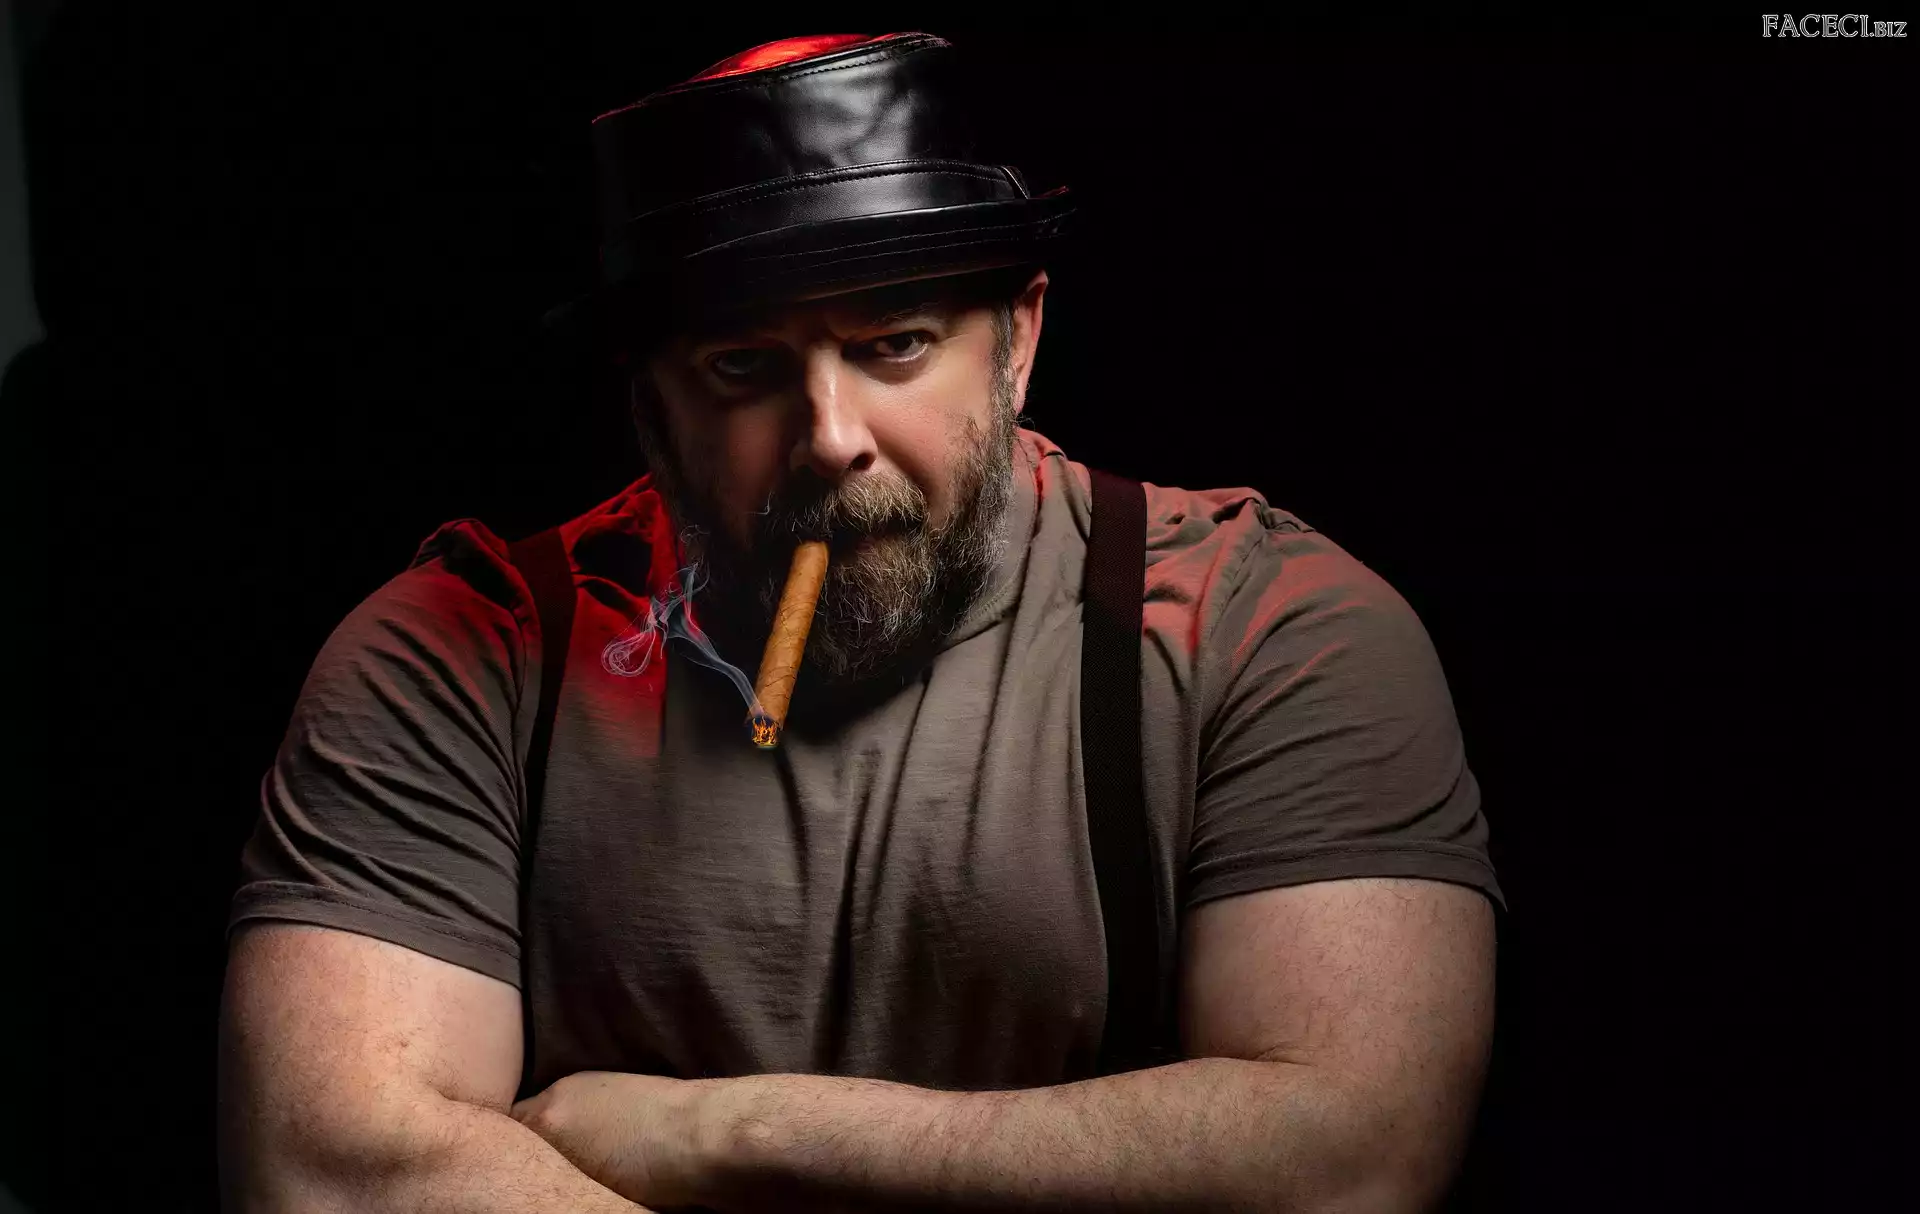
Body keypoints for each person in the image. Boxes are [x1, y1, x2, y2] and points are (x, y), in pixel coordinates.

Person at [217, 32, 1504, 1213]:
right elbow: (330, 1169)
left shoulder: (1265, 626)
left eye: (895, 342)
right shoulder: (459, 651)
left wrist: (737, 1129)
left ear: (1016, 342)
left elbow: (1352, 1158)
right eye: (743, 365)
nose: (830, 438)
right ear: (653, 408)